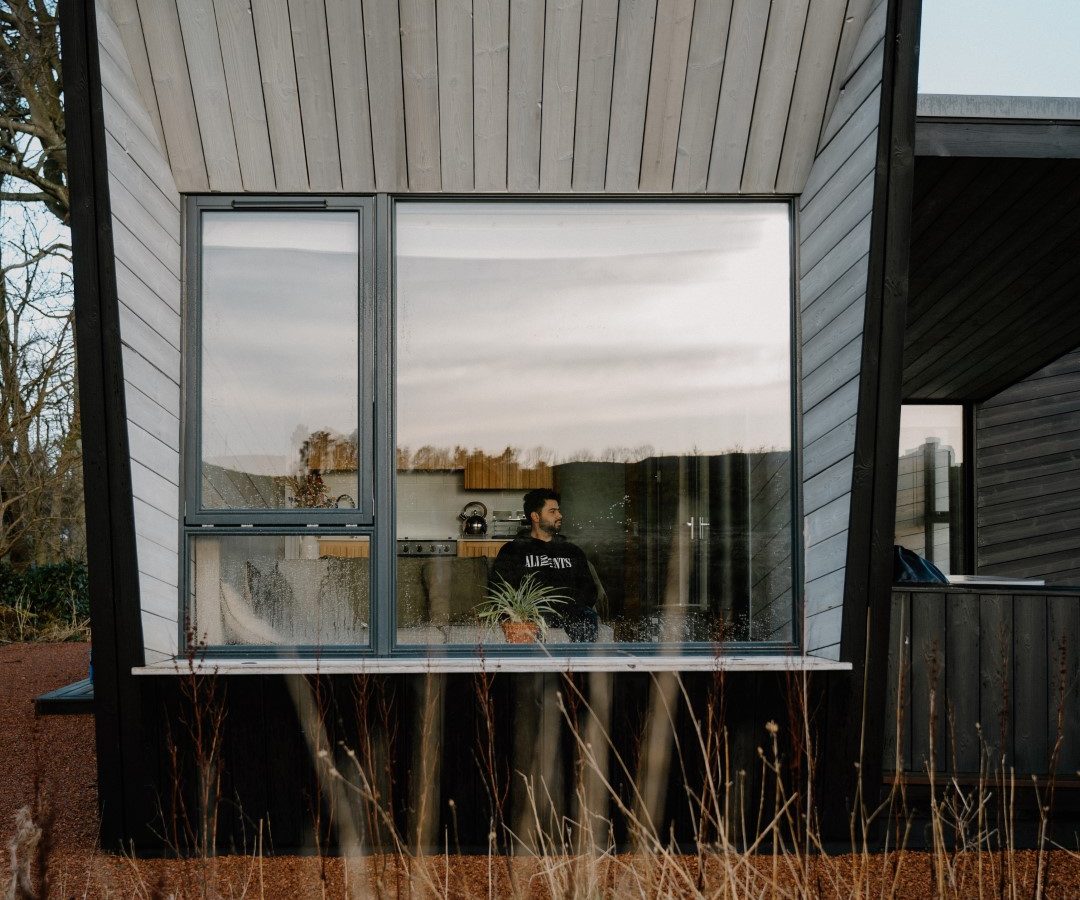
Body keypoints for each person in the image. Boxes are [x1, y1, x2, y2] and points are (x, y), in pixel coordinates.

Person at [491, 488, 599, 642]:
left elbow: (589, 590)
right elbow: (500, 588)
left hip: (570, 612)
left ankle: (578, 664)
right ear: (535, 516)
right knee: (526, 625)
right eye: (552, 511)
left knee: (587, 617)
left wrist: (570, 606)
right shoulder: (513, 550)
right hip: (533, 612)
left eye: (558, 511)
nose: (560, 515)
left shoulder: (572, 551)